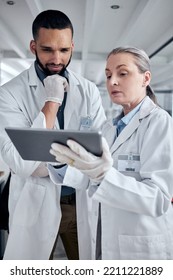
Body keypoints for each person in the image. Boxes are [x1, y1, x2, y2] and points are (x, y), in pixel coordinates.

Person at [0, 10, 106, 260]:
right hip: (34, 202)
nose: (57, 59)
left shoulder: (88, 90)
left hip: (78, 203)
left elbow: (100, 152)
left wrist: (44, 161)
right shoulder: (9, 93)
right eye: (47, 50)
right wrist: (52, 101)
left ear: (72, 47)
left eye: (64, 50)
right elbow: (21, 163)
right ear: (33, 46)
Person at [50, 46, 173, 259]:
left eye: (122, 73)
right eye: (108, 75)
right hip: (103, 239)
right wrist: (63, 164)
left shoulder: (159, 123)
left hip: (139, 247)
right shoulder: (108, 128)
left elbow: (159, 199)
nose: (112, 81)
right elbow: (93, 179)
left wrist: (103, 176)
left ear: (145, 79)